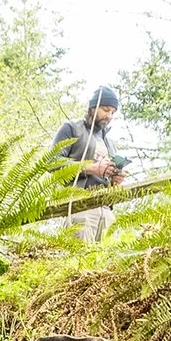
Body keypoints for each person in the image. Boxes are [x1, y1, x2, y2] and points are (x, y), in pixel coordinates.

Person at [52, 87, 124, 243]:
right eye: (105, 110)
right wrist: (91, 168)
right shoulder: (72, 128)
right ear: (93, 107)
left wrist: (116, 179)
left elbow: (109, 179)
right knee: (78, 262)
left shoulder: (109, 142)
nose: (109, 116)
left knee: (108, 265)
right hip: (80, 208)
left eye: (113, 112)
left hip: (106, 213)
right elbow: (52, 162)